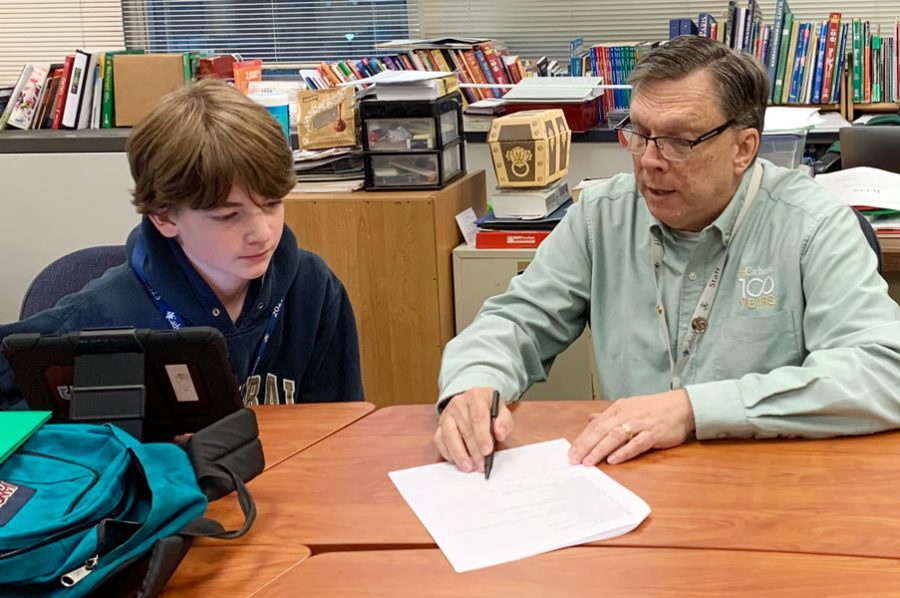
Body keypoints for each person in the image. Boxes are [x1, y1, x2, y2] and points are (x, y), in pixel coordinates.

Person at [434, 36, 900, 473]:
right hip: (634, 478)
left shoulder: (813, 225)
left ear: (744, 148)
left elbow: (883, 370)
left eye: (679, 140)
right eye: (639, 133)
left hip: (773, 478)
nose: (649, 160)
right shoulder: (601, 216)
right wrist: (475, 383)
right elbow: (516, 321)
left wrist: (694, 409)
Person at [0, 78, 363, 410]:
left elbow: (341, 429)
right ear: (165, 217)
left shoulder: (313, 287)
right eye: (228, 216)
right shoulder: (102, 314)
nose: (263, 233)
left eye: (271, 204)